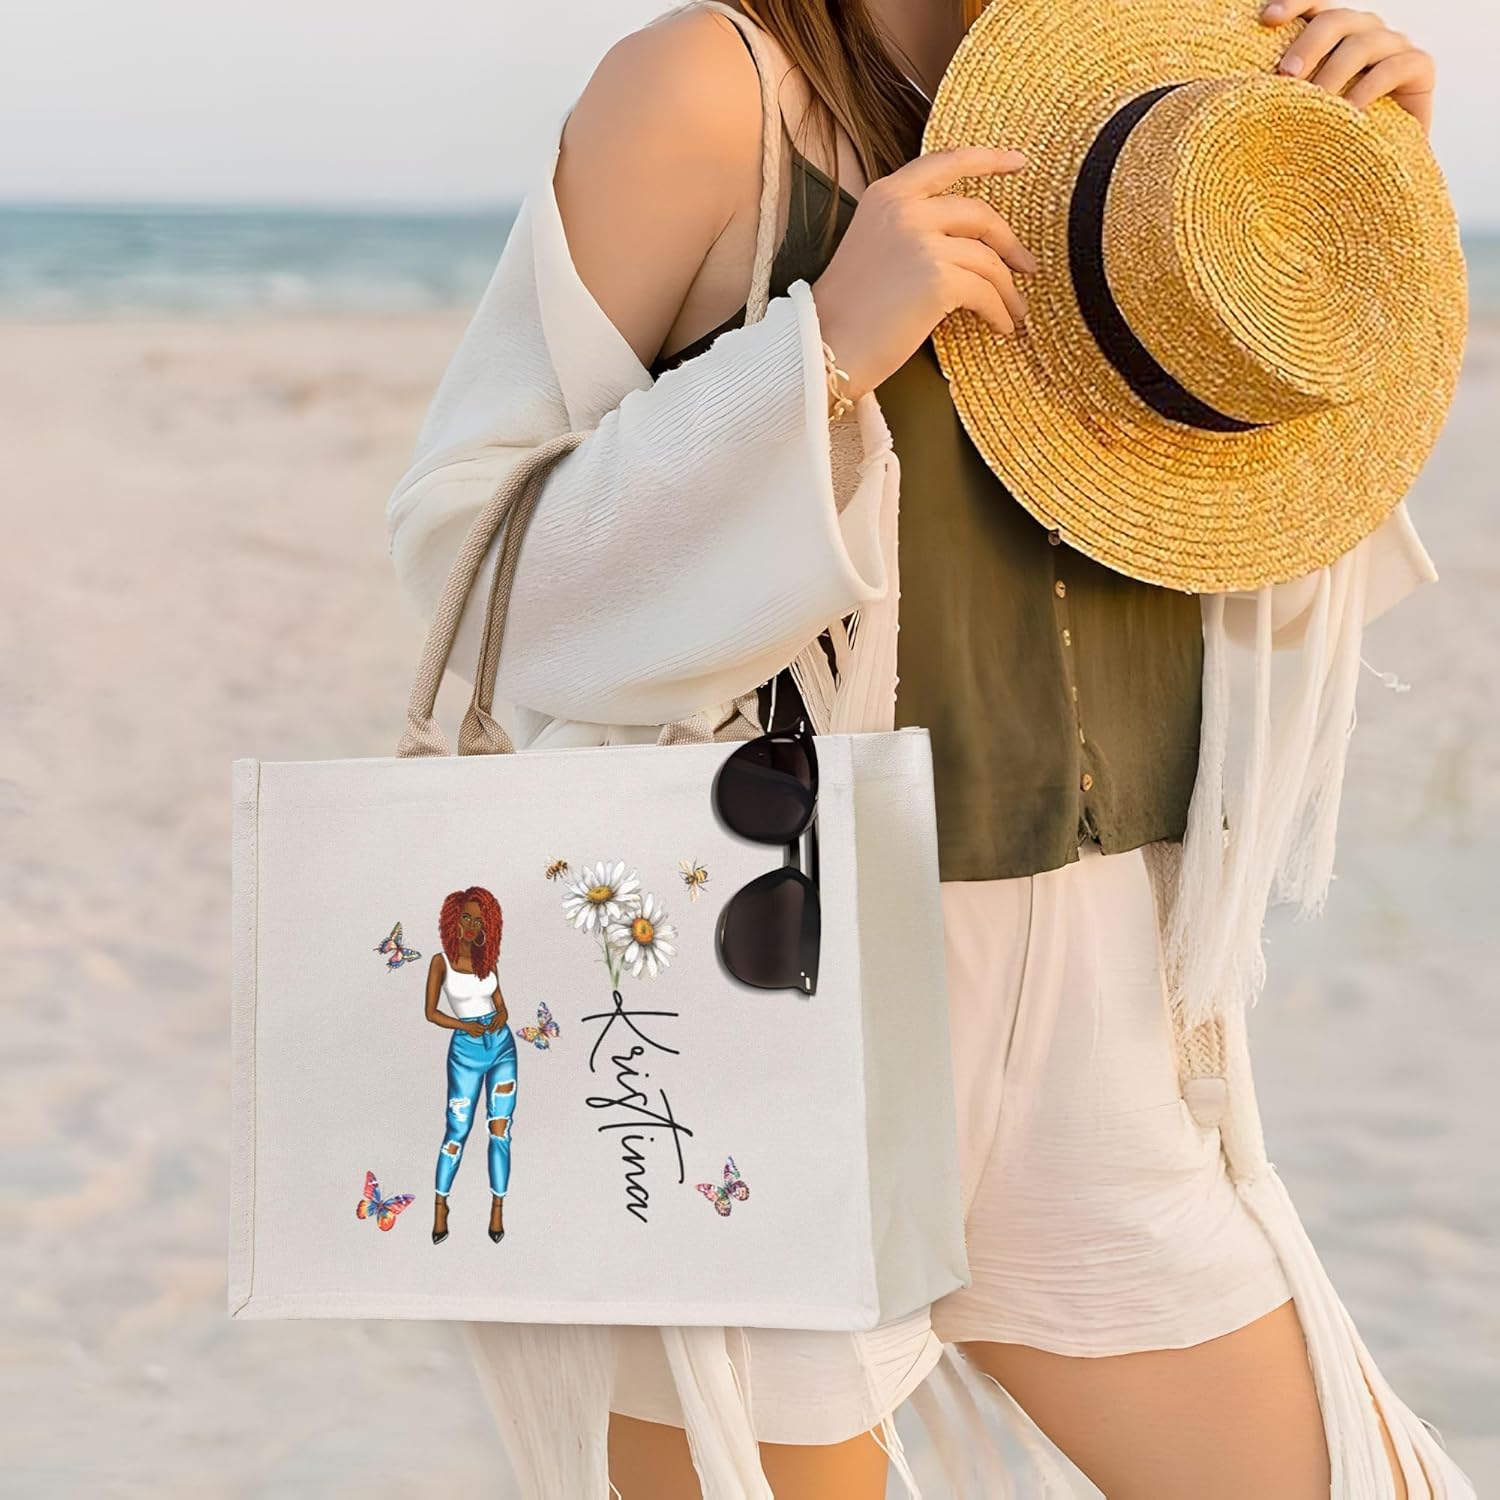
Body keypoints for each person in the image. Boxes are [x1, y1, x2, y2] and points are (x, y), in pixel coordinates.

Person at [387, 1, 1471, 1494]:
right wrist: (820, 352)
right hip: (757, 994)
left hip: (1106, 1004)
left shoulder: (1179, 83)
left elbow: (1258, 582)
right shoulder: (712, 95)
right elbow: (474, 569)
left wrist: (1329, 230)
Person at [425, 886, 516, 1245]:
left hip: (502, 1046)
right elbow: (431, 1013)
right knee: (457, 1132)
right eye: (466, 917)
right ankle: (440, 1204)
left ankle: (497, 1207)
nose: (471, 926)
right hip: (466, 1049)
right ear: (453, 918)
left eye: (479, 921)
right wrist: (466, 1026)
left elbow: (501, 1003)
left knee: (501, 1129)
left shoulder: (487, 960)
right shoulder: (440, 962)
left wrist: (502, 1016)